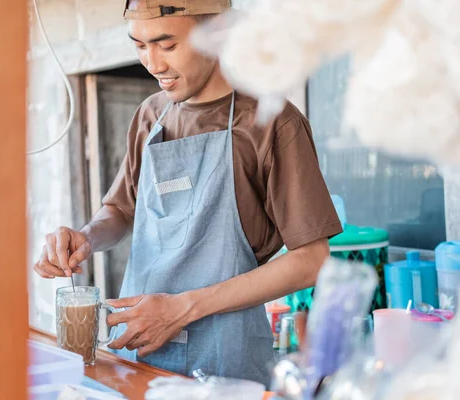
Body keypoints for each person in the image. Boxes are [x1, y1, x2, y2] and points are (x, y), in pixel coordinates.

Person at [33, 0, 342, 386]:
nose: (153, 64)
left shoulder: (272, 122)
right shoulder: (151, 115)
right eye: (140, 46)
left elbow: (311, 259)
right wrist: (86, 237)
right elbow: (120, 209)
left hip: (226, 367)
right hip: (137, 357)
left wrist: (180, 309)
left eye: (167, 44)